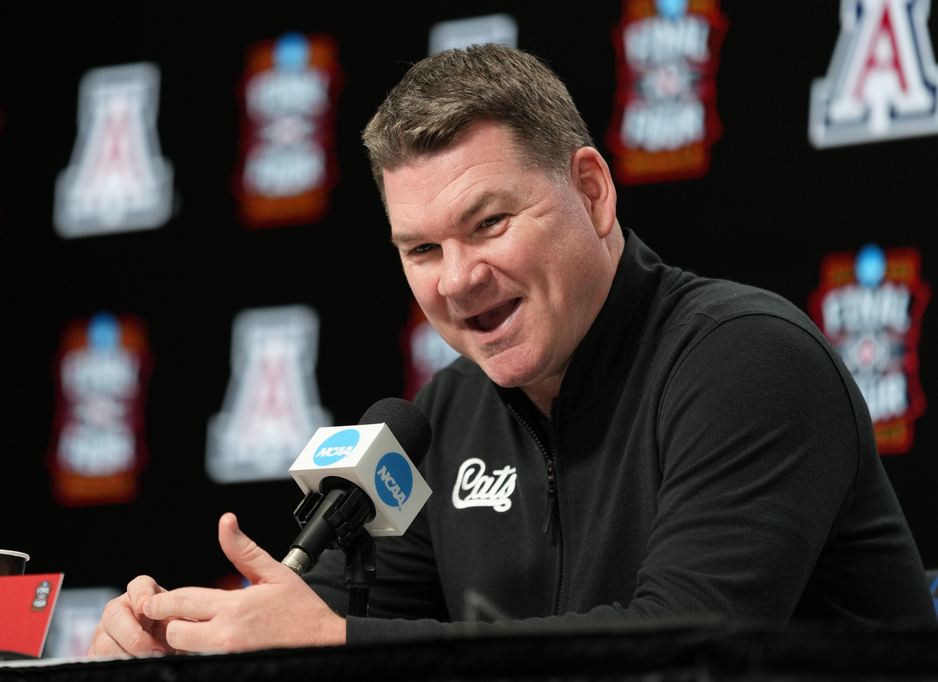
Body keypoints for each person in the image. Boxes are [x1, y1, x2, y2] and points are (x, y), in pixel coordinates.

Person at [87, 43, 937, 657]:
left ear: (593, 192)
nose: (457, 279)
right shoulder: (448, 412)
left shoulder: (747, 361)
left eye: (488, 224)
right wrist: (185, 638)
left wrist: (340, 642)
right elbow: (351, 625)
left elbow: (683, 646)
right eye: (421, 250)